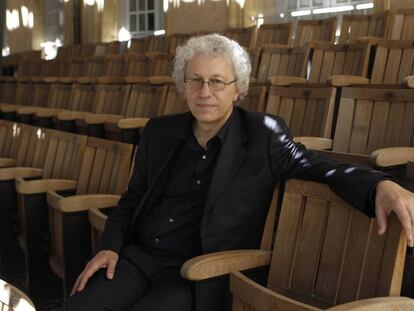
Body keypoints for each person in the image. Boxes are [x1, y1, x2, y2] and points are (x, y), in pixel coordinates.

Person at [60, 34, 414, 310]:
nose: (204, 92)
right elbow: (133, 198)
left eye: (217, 82)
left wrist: (381, 184)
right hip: (137, 258)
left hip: (198, 271)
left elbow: (318, 166)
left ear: (238, 89)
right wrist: (109, 247)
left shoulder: (264, 134)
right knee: (81, 304)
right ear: (183, 85)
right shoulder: (159, 131)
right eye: (195, 80)